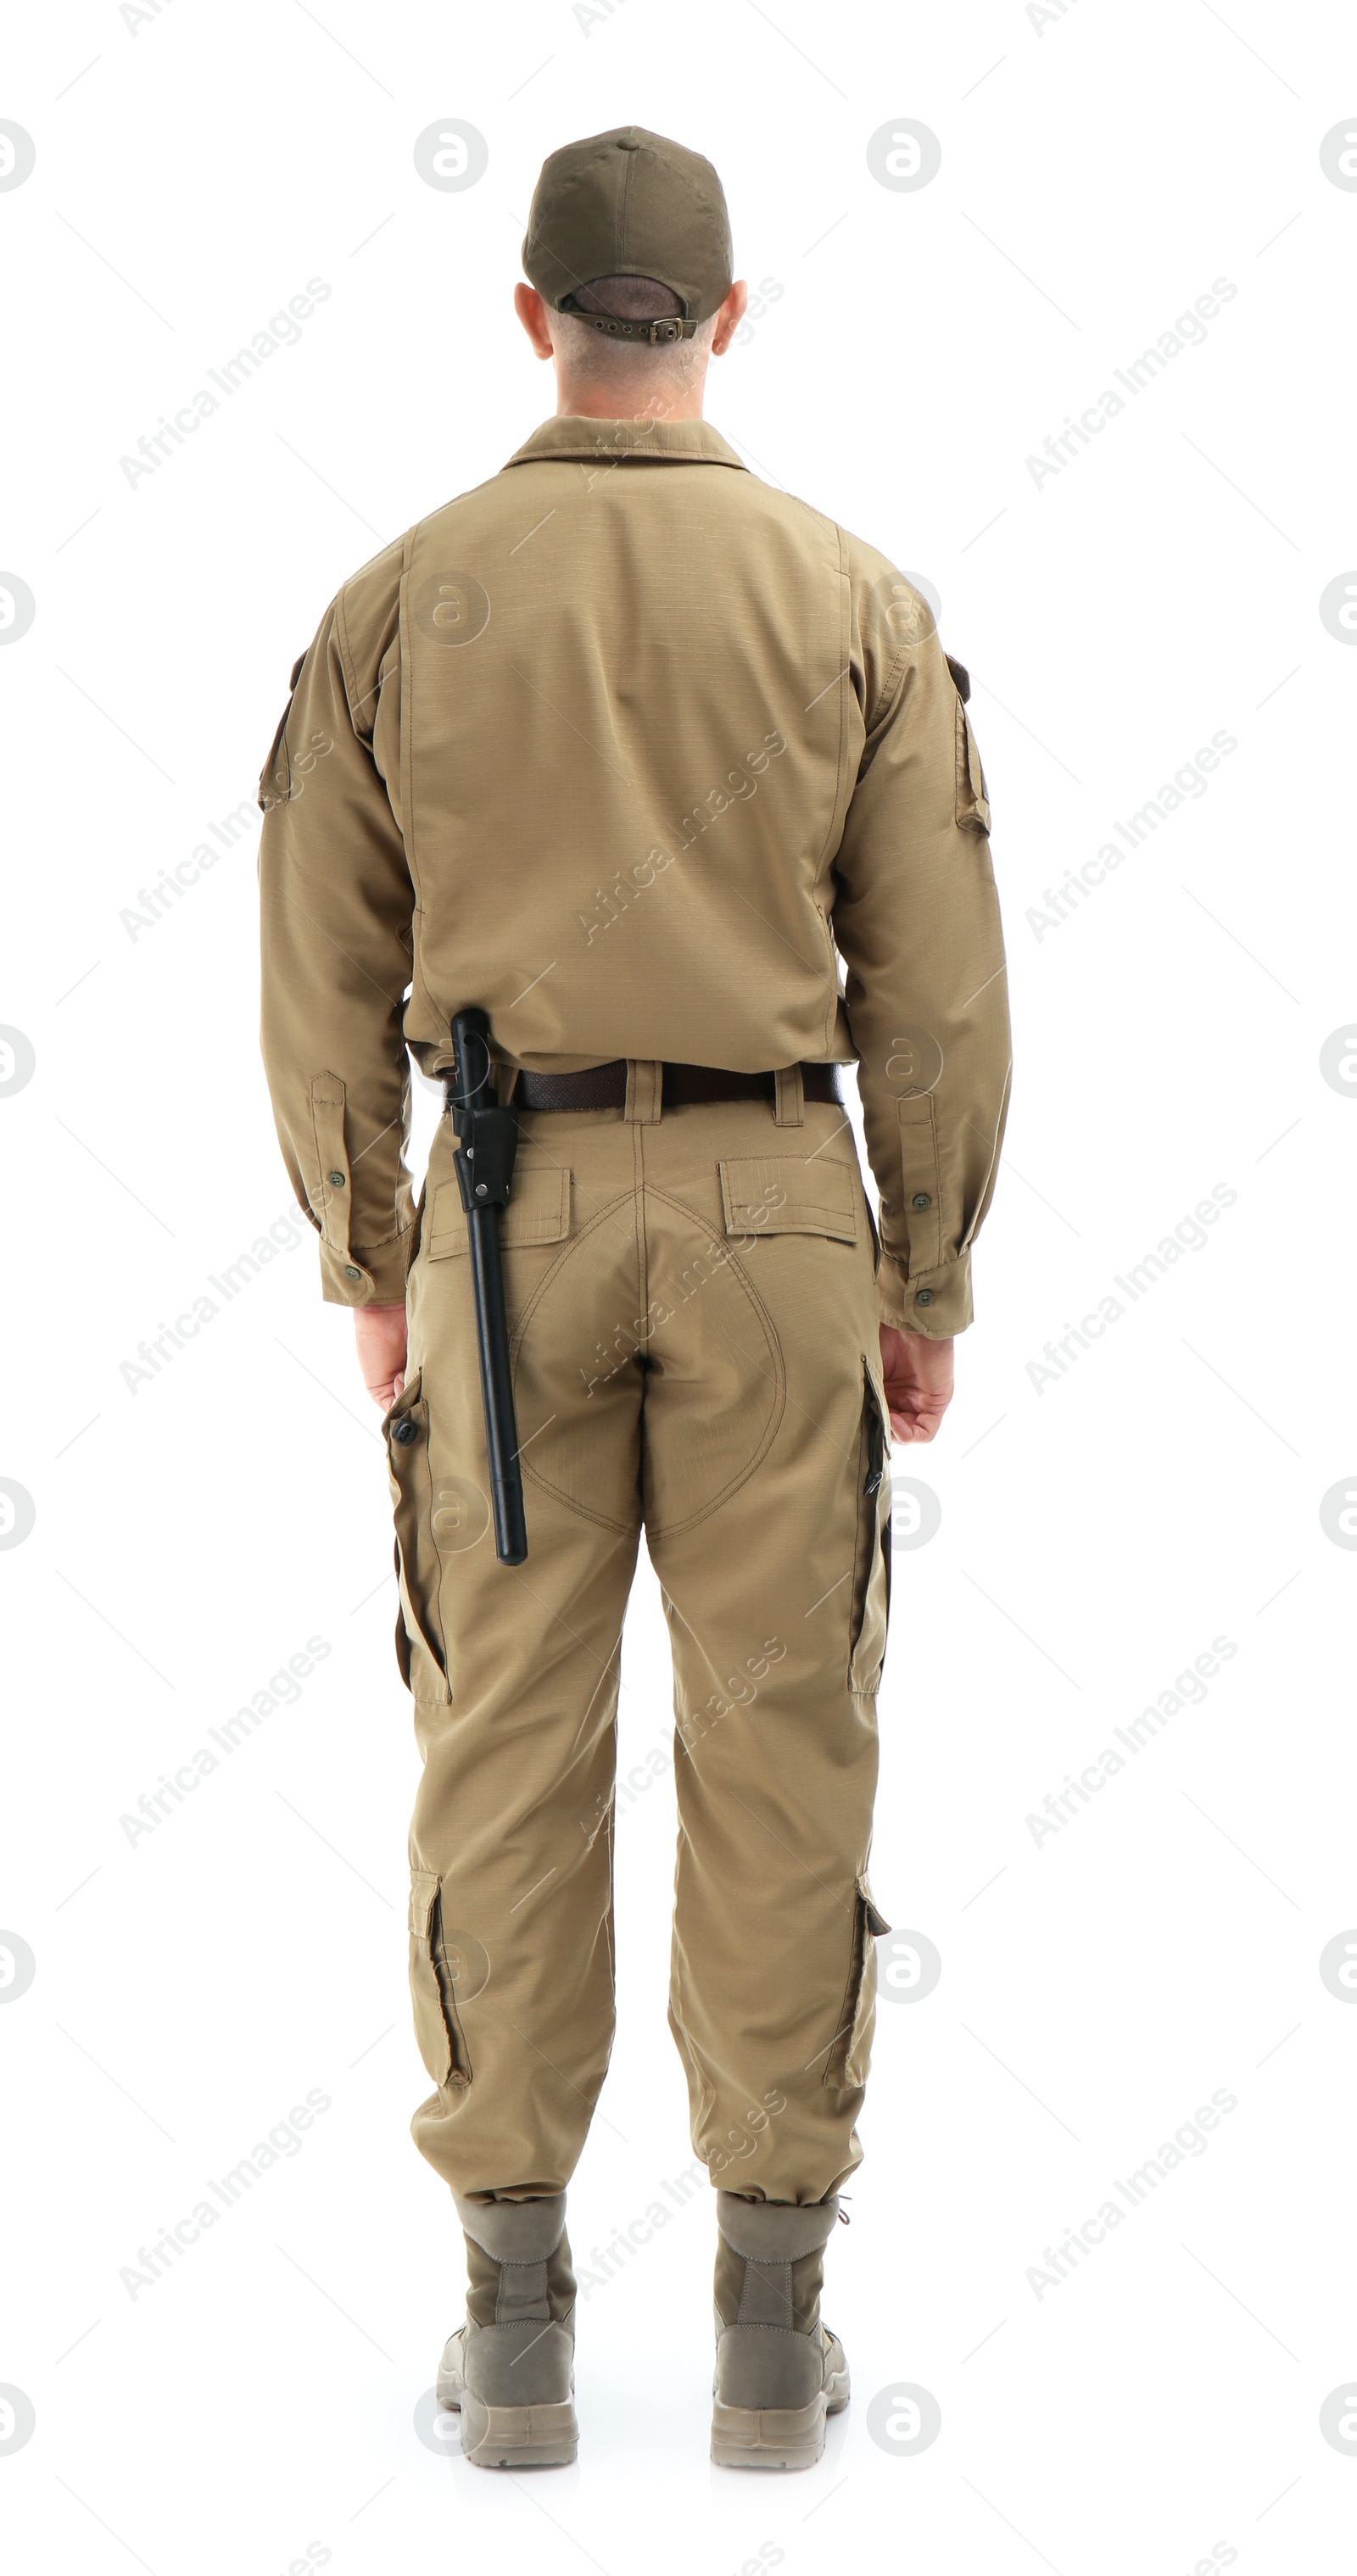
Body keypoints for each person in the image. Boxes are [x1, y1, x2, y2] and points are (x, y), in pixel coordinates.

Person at [257, 122, 1010, 2473]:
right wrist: (930, 1266)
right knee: (786, 1747)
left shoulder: (400, 597)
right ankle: (776, 2331)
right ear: (729, 316)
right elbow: (944, 986)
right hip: (789, 1213)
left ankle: (512, 2324)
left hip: (506, 1209)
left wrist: (366, 1254)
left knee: (502, 1746)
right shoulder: (855, 600)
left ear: (531, 318)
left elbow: (312, 970)